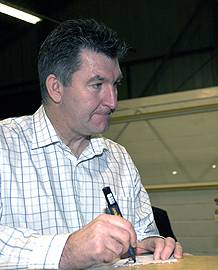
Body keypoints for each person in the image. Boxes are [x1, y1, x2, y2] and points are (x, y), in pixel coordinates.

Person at [0, 19, 182, 269]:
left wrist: (148, 243)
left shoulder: (118, 158)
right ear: (56, 88)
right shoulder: (4, 146)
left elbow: (143, 230)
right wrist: (66, 251)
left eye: (115, 84)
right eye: (97, 84)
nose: (112, 101)